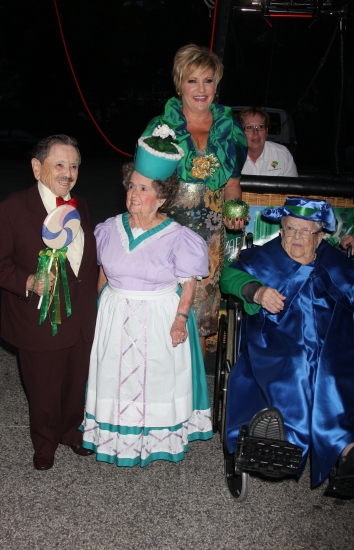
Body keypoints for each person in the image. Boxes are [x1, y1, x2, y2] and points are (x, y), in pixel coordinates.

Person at [81, 125, 213, 467]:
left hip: (158, 317)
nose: (133, 194)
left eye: (143, 188)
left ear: (162, 197)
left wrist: (181, 319)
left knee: (156, 378)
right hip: (115, 313)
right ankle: (117, 438)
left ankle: (154, 439)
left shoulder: (179, 237)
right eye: (131, 186)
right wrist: (96, 314)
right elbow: (103, 275)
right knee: (113, 377)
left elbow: (188, 282)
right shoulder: (108, 229)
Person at [220, 197, 354, 498]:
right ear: (280, 228)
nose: (296, 237)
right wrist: (256, 291)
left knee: (337, 374)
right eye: (289, 229)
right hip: (275, 340)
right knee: (296, 365)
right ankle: (281, 439)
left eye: (304, 231)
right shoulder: (263, 257)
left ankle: (353, 453)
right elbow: (229, 277)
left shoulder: (333, 260)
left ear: (321, 235)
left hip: (332, 342)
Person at [140, 44, 247, 357]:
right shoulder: (160, 129)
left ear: (217, 85)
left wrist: (235, 214)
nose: (201, 89)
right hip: (166, 229)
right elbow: (144, 185)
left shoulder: (231, 130)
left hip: (210, 238)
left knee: (198, 319)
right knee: (162, 310)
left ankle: (195, 398)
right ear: (179, 84)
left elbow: (233, 184)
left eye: (209, 80)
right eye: (193, 81)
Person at [0, 135, 98, 470]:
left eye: (74, 165)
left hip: (82, 313)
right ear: (36, 167)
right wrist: (28, 281)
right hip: (40, 318)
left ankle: (71, 431)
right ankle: (44, 444)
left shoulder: (79, 205)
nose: (68, 172)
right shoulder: (13, 207)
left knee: (75, 381)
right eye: (59, 164)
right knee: (42, 387)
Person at [240, 107, 298, 177]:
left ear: (266, 131)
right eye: (249, 127)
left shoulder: (282, 155)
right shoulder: (230, 157)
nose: (255, 132)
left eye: (260, 127)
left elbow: (290, 186)